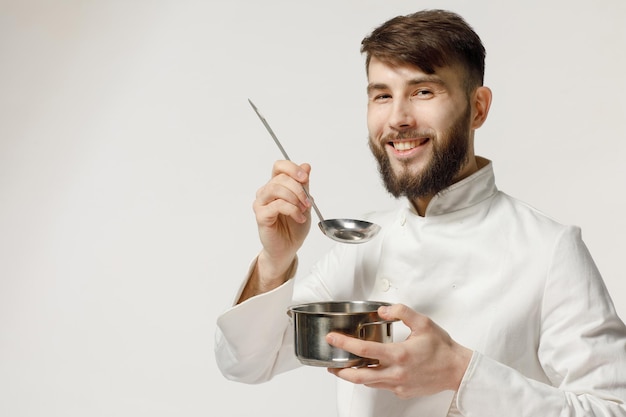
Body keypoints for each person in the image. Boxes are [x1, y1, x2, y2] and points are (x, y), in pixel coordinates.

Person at [214, 9, 626, 417]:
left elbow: (612, 409)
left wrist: (462, 374)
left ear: (478, 108)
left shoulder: (549, 250)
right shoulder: (363, 244)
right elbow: (246, 364)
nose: (397, 119)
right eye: (382, 95)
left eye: (423, 91)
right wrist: (276, 261)